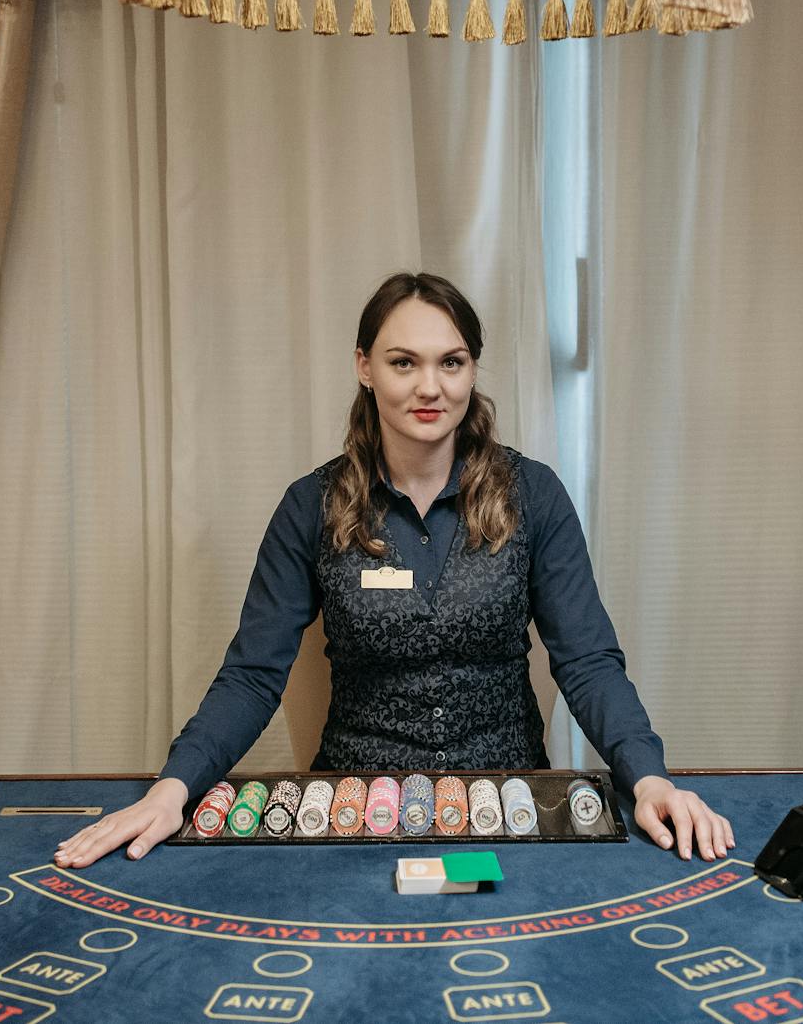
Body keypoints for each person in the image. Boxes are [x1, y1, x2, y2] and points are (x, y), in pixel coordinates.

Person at [55, 272, 734, 867]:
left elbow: (587, 660)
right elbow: (254, 674)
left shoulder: (535, 496)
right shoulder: (310, 507)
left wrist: (649, 780)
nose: (430, 387)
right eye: (404, 362)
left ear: (473, 369)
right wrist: (173, 789)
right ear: (365, 366)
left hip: (507, 808)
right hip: (351, 814)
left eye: (452, 362)